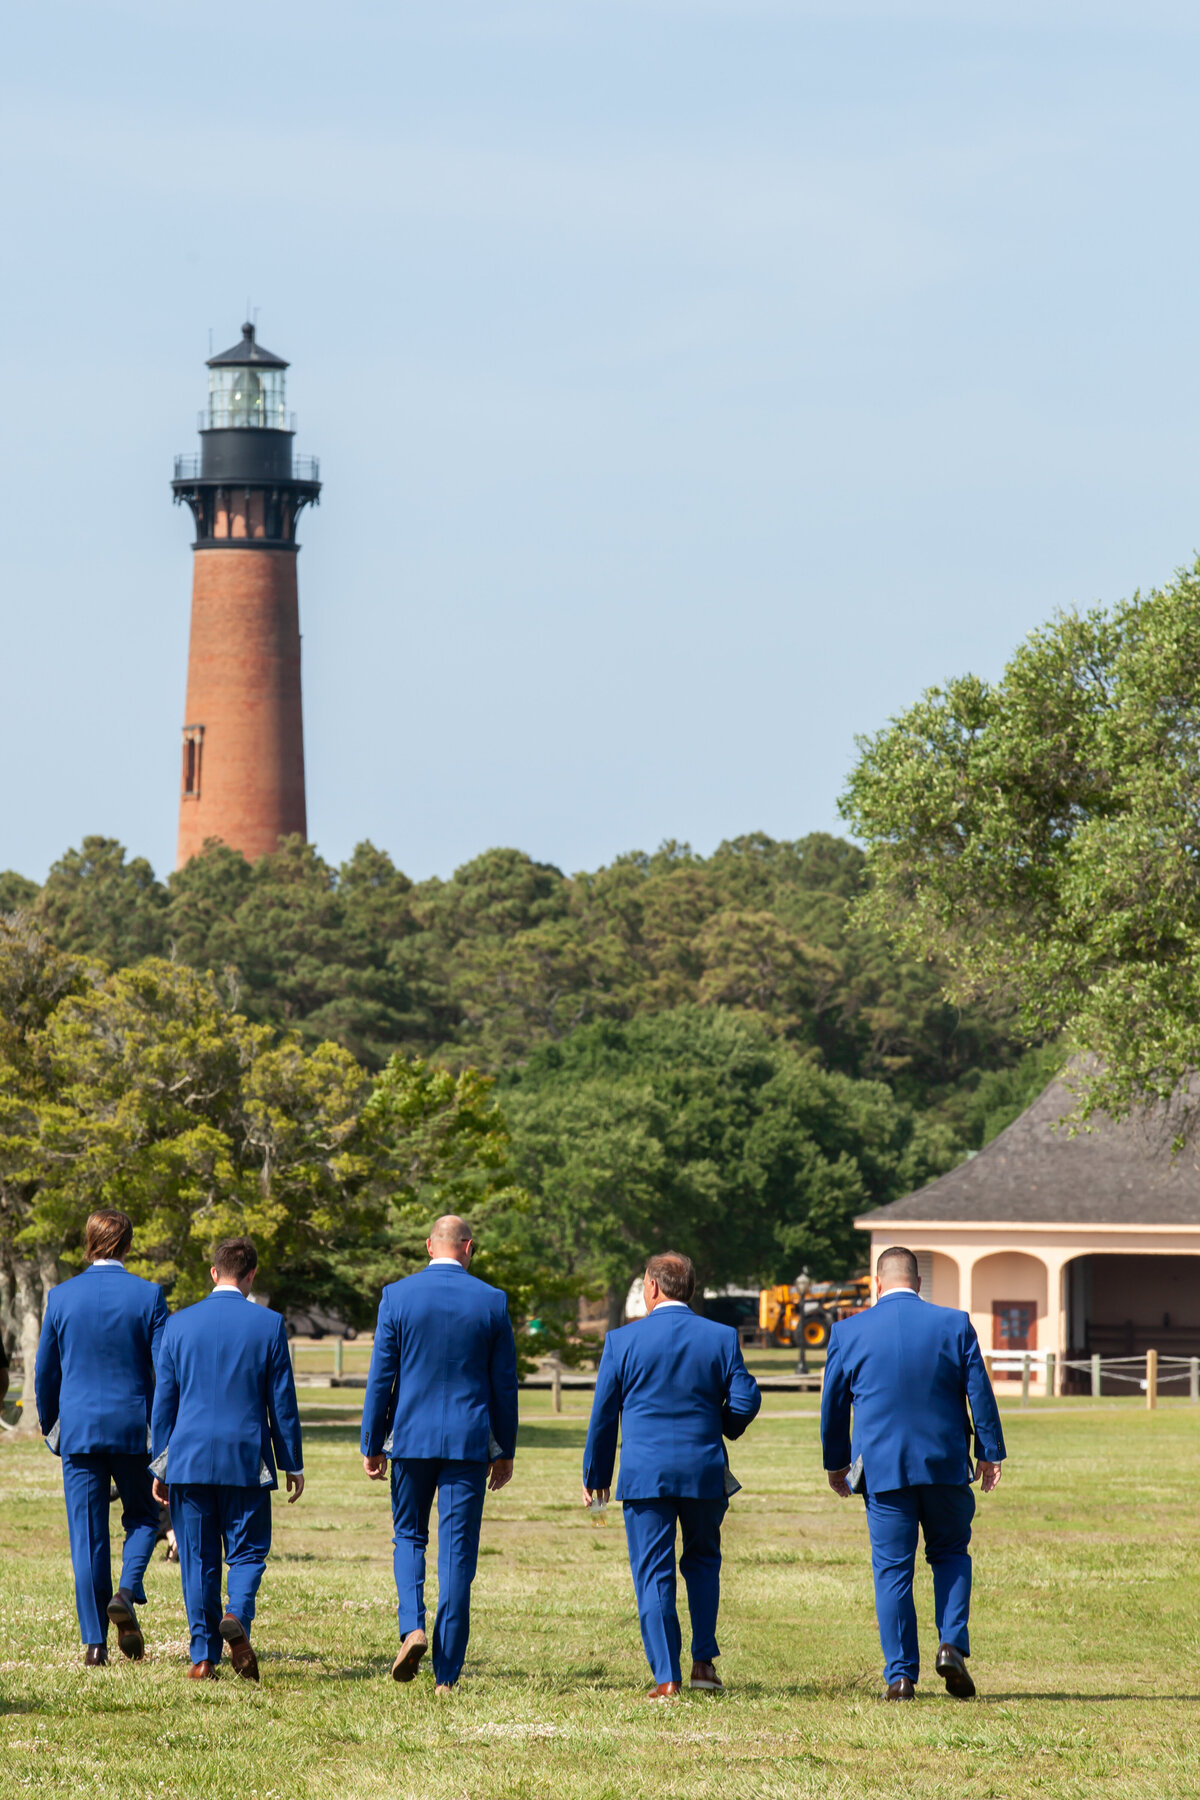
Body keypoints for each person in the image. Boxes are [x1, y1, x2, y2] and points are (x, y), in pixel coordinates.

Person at [820, 1243, 1006, 1702]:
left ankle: (901, 1676)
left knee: (892, 1571)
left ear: (877, 1282)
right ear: (919, 1283)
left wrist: (836, 1462)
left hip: (882, 1469)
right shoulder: (954, 1323)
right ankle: (951, 1644)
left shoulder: (848, 1332)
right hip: (944, 1464)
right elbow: (978, 1392)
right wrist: (989, 1451)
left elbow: (833, 1406)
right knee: (951, 1555)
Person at [582, 1251, 761, 1700]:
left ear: (653, 1288)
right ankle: (703, 1662)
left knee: (653, 1572)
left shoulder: (621, 1341)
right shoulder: (721, 1337)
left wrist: (596, 1475)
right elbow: (745, 1400)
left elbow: (604, 1417)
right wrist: (720, 1424)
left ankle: (667, 1676)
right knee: (702, 1564)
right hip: (704, 1471)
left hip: (645, 1475)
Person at [360, 1214, 519, 1694]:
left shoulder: (397, 1296)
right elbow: (503, 1385)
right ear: (469, 1248)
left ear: (430, 1246)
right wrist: (505, 1448)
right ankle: (446, 1676)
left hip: (410, 1438)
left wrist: (372, 1442)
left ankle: (412, 1625)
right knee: (456, 1555)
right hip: (469, 1443)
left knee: (408, 1536)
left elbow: (380, 1377)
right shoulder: (492, 1301)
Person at [149, 1236, 303, 1682]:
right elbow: (283, 1403)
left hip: (189, 1457)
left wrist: (161, 1463)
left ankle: (202, 1657)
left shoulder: (177, 1325)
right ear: (251, 1275)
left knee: (196, 1557)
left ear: (214, 1272)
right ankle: (236, 1614)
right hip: (246, 1457)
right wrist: (291, 1461)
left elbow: (165, 1403)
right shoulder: (269, 1324)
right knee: (249, 1550)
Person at [34, 1208, 168, 1666]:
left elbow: (44, 1371)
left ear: (88, 1242)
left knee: (87, 1538)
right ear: (128, 1244)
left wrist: (53, 1425)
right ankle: (127, 1591)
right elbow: (165, 1372)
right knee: (146, 1519)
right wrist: (165, 1431)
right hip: (135, 1428)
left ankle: (94, 1644)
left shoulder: (61, 1296)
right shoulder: (149, 1295)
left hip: (79, 1430)